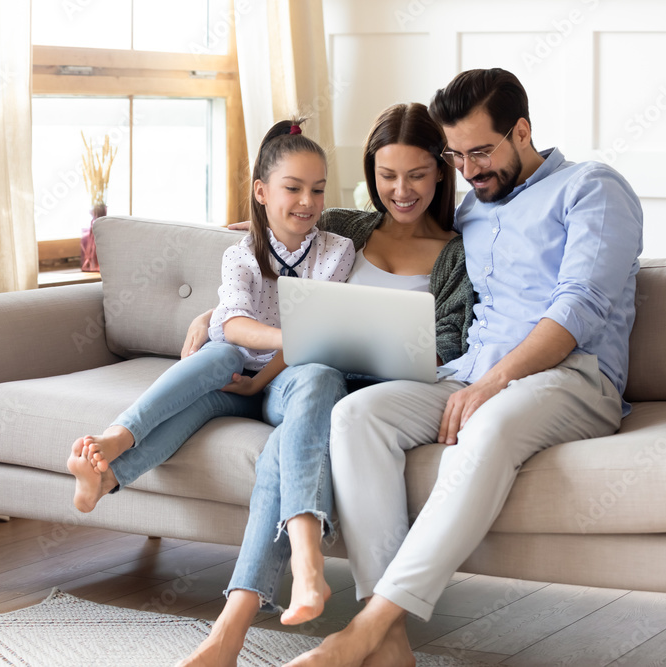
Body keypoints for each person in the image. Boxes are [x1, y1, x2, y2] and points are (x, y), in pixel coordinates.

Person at [287, 68, 644, 667]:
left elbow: (580, 305)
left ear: (522, 130)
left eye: (482, 151)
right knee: (356, 416)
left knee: (491, 425)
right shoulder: (474, 212)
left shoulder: (592, 188)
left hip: (574, 376)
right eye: (456, 156)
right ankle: (392, 645)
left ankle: (366, 628)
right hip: (471, 371)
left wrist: (494, 383)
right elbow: (308, 234)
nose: (471, 171)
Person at [178, 102, 475, 667]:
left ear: (441, 171)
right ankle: (238, 628)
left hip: (382, 394)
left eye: (416, 174)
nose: (401, 191)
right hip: (312, 379)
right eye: (387, 176)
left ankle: (230, 634)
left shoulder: (458, 252)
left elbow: (453, 343)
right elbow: (261, 246)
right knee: (288, 437)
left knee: (283, 448)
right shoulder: (344, 225)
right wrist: (213, 316)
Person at [67, 118, 356, 632]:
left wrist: (262, 378)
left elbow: (311, 343)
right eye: (292, 188)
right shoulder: (241, 254)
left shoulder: (336, 251)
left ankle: (306, 564)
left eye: (317, 190)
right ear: (262, 192)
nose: (307, 201)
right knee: (217, 356)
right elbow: (236, 323)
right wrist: (280, 339)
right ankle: (110, 452)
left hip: (280, 382)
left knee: (320, 375)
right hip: (229, 379)